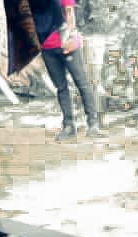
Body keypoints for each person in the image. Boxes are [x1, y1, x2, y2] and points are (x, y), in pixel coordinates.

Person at [31, 0, 103, 141]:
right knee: (61, 88)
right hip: (47, 48)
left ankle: (93, 124)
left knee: (82, 83)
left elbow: (70, 12)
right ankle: (69, 126)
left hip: (67, 44)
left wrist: (71, 37)